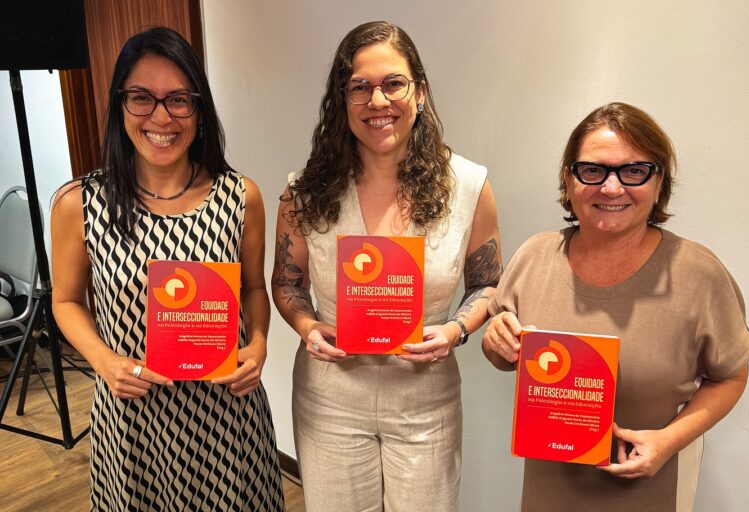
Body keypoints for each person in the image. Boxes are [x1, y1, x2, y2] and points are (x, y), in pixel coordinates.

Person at [51, 27, 284, 511]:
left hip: (227, 419)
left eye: (179, 99)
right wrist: (102, 361)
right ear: (120, 104)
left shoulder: (242, 197)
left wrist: (258, 345)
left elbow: (254, 290)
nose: (161, 116)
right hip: (133, 420)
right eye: (141, 97)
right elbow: (66, 300)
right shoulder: (79, 203)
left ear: (200, 110)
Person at [482, 102, 749, 512]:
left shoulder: (697, 273)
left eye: (634, 171)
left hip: (651, 491)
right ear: (568, 177)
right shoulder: (534, 256)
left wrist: (668, 442)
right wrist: (496, 339)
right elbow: (501, 352)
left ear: (659, 180)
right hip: (548, 493)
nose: (611, 188)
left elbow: (731, 376)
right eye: (593, 170)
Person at [271, 21, 501, 512]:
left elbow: (487, 284)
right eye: (360, 87)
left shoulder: (468, 187)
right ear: (342, 99)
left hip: (426, 402)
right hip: (329, 398)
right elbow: (287, 283)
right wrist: (307, 326)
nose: (378, 101)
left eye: (393, 83)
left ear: (419, 91)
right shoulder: (304, 192)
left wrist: (457, 331)